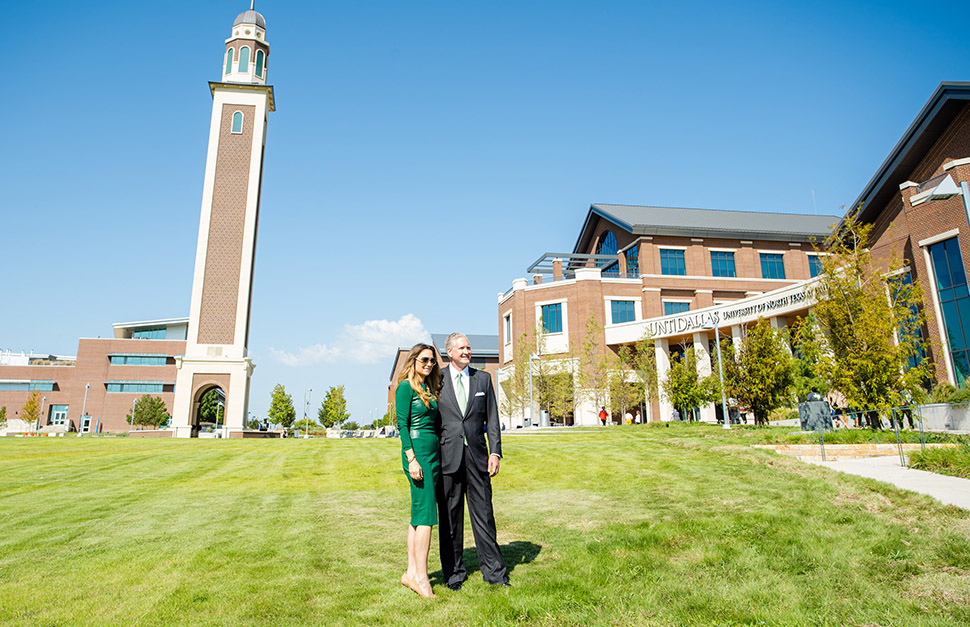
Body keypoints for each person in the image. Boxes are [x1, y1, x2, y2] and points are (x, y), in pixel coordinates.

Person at [437, 333, 509, 589]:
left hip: (478, 459)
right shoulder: (437, 380)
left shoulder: (483, 379)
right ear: (449, 352)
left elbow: (492, 418)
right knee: (450, 519)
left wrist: (495, 452)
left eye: (469, 347)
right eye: (462, 348)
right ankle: (454, 574)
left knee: (484, 516)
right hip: (448, 459)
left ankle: (495, 574)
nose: (467, 351)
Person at [395, 343, 442, 599]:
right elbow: (402, 425)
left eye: (432, 361)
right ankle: (422, 577)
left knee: (418, 514)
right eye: (424, 359)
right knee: (426, 516)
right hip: (418, 455)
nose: (429, 364)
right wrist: (411, 459)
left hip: (433, 454)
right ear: (413, 360)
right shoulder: (405, 387)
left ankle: (411, 573)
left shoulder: (428, 387)